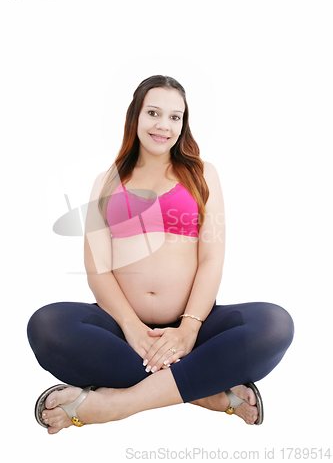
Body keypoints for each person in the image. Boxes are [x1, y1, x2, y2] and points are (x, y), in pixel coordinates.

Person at [27, 75, 294, 435]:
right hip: (122, 334)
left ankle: (114, 405)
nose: (163, 126)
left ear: (184, 124)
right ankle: (209, 393)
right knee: (46, 325)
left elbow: (212, 259)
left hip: (196, 326)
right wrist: (133, 328)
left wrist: (188, 328)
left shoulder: (202, 174)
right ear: (135, 115)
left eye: (175, 117)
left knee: (275, 324)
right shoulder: (106, 182)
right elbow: (98, 270)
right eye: (154, 113)